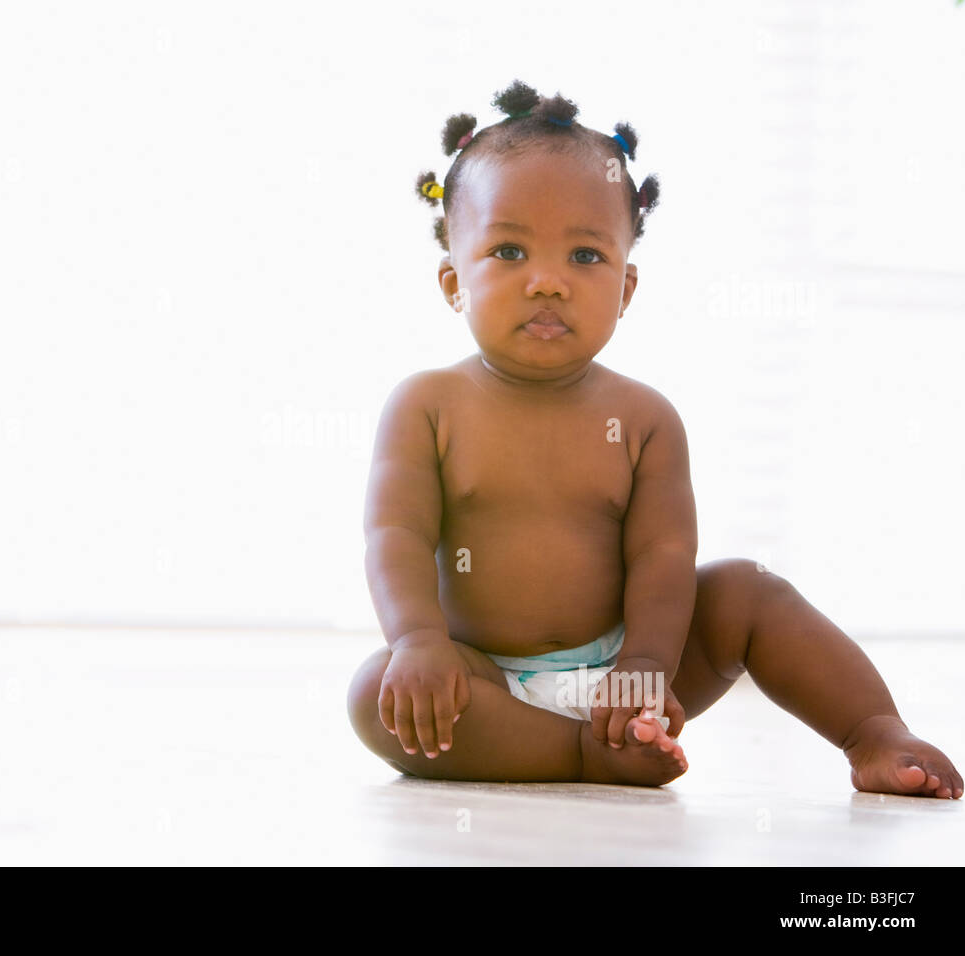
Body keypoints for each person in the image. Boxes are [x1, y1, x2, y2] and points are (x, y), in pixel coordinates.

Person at [345, 79, 962, 797]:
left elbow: (664, 554)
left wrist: (644, 667)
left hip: (632, 673)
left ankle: (874, 734)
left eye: (584, 257)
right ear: (454, 280)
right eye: (509, 252)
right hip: (483, 675)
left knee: (748, 591)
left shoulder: (643, 419)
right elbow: (397, 535)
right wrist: (421, 642)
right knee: (376, 696)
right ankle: (577, 754)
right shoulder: (428, 405)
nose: (548, 282)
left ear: (626, 289)